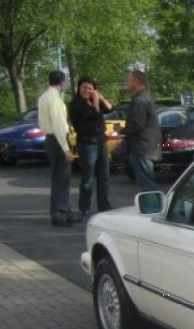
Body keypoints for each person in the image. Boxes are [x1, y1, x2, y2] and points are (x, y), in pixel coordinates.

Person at [37, 70, 78, 227]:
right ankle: (59, 213)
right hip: (57, 139)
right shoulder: (55, 99)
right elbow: (59, 125)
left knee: (61, 178)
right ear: (62, 82)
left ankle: (65, 210)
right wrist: (66, 149)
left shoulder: (43, 97)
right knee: (61, 178)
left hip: (50, 138)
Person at [68, 76, 113, 215]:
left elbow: (110, 108)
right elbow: (94, 115)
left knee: (104, 176)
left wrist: (101, 97)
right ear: (79, 89)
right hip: (87, 144)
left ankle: (104, 205)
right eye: (84, 88)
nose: (87, 90)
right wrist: (95, 102)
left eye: (90, 88)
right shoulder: (76, 104)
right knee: (87, 178)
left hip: (101, 142)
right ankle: (84, 207)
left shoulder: (95, 100)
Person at [120, 70, 161, 192]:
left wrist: (122, 130)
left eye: (129, 80)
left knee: (147, 184)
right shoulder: (145, 98)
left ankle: (152, 208)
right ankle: (153, 207)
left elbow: (137, 125)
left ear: (136, 81)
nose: (127, 82)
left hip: (141, 148)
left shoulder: (139, 101)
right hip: (147, 147)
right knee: (147, 181)